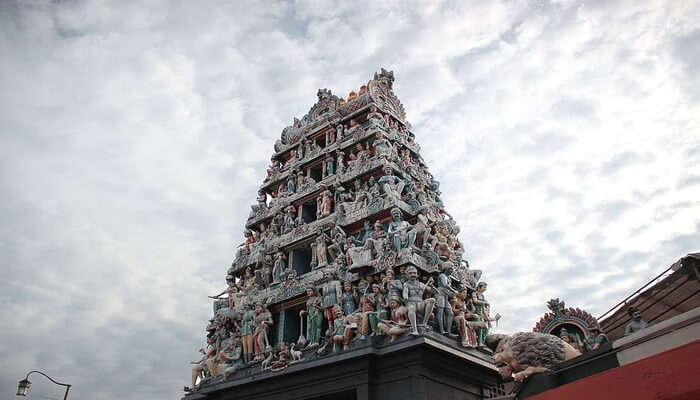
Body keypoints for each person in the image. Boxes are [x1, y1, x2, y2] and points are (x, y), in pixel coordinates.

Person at [402, 266, 436, 335]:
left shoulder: (421, 284)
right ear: (407, 275)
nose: (413, 275)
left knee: (432, 300)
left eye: (414, 273)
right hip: (411, 304)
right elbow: (405, 292)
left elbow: (434, 292)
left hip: (420, 304)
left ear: (417, 274)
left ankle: (424, 323)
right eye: (410, 273)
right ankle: (415, 330)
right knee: (411, 308)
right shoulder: (406, 284)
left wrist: (432, 285)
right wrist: (405, 297)